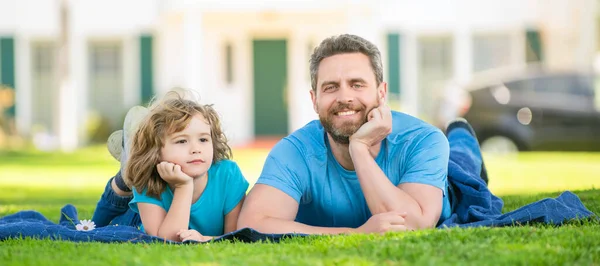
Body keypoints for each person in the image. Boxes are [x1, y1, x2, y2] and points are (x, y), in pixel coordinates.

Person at [237, 34, 487, 234]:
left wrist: (359, 149)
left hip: (450, 182)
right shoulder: (295, 151)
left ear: (381, 92)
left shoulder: (424, 140)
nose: (345, 97)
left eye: (357, 85)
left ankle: (461, 132)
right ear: (314, 100)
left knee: (463, 161)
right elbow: (252, 224)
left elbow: (414, 225)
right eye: (331, 87)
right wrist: (354, 233)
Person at [91, 90, 249, 242]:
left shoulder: (228, 174)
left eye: (203, 140)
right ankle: (123, 176)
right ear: (156, 151)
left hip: (152, 214)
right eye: (182, 141)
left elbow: (235, 237)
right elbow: (165, 240)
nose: (196, 149)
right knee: (96, 227)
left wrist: (204, 239)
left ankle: (132, 157)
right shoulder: (148, 178)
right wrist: (183, 187)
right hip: (135, 220)